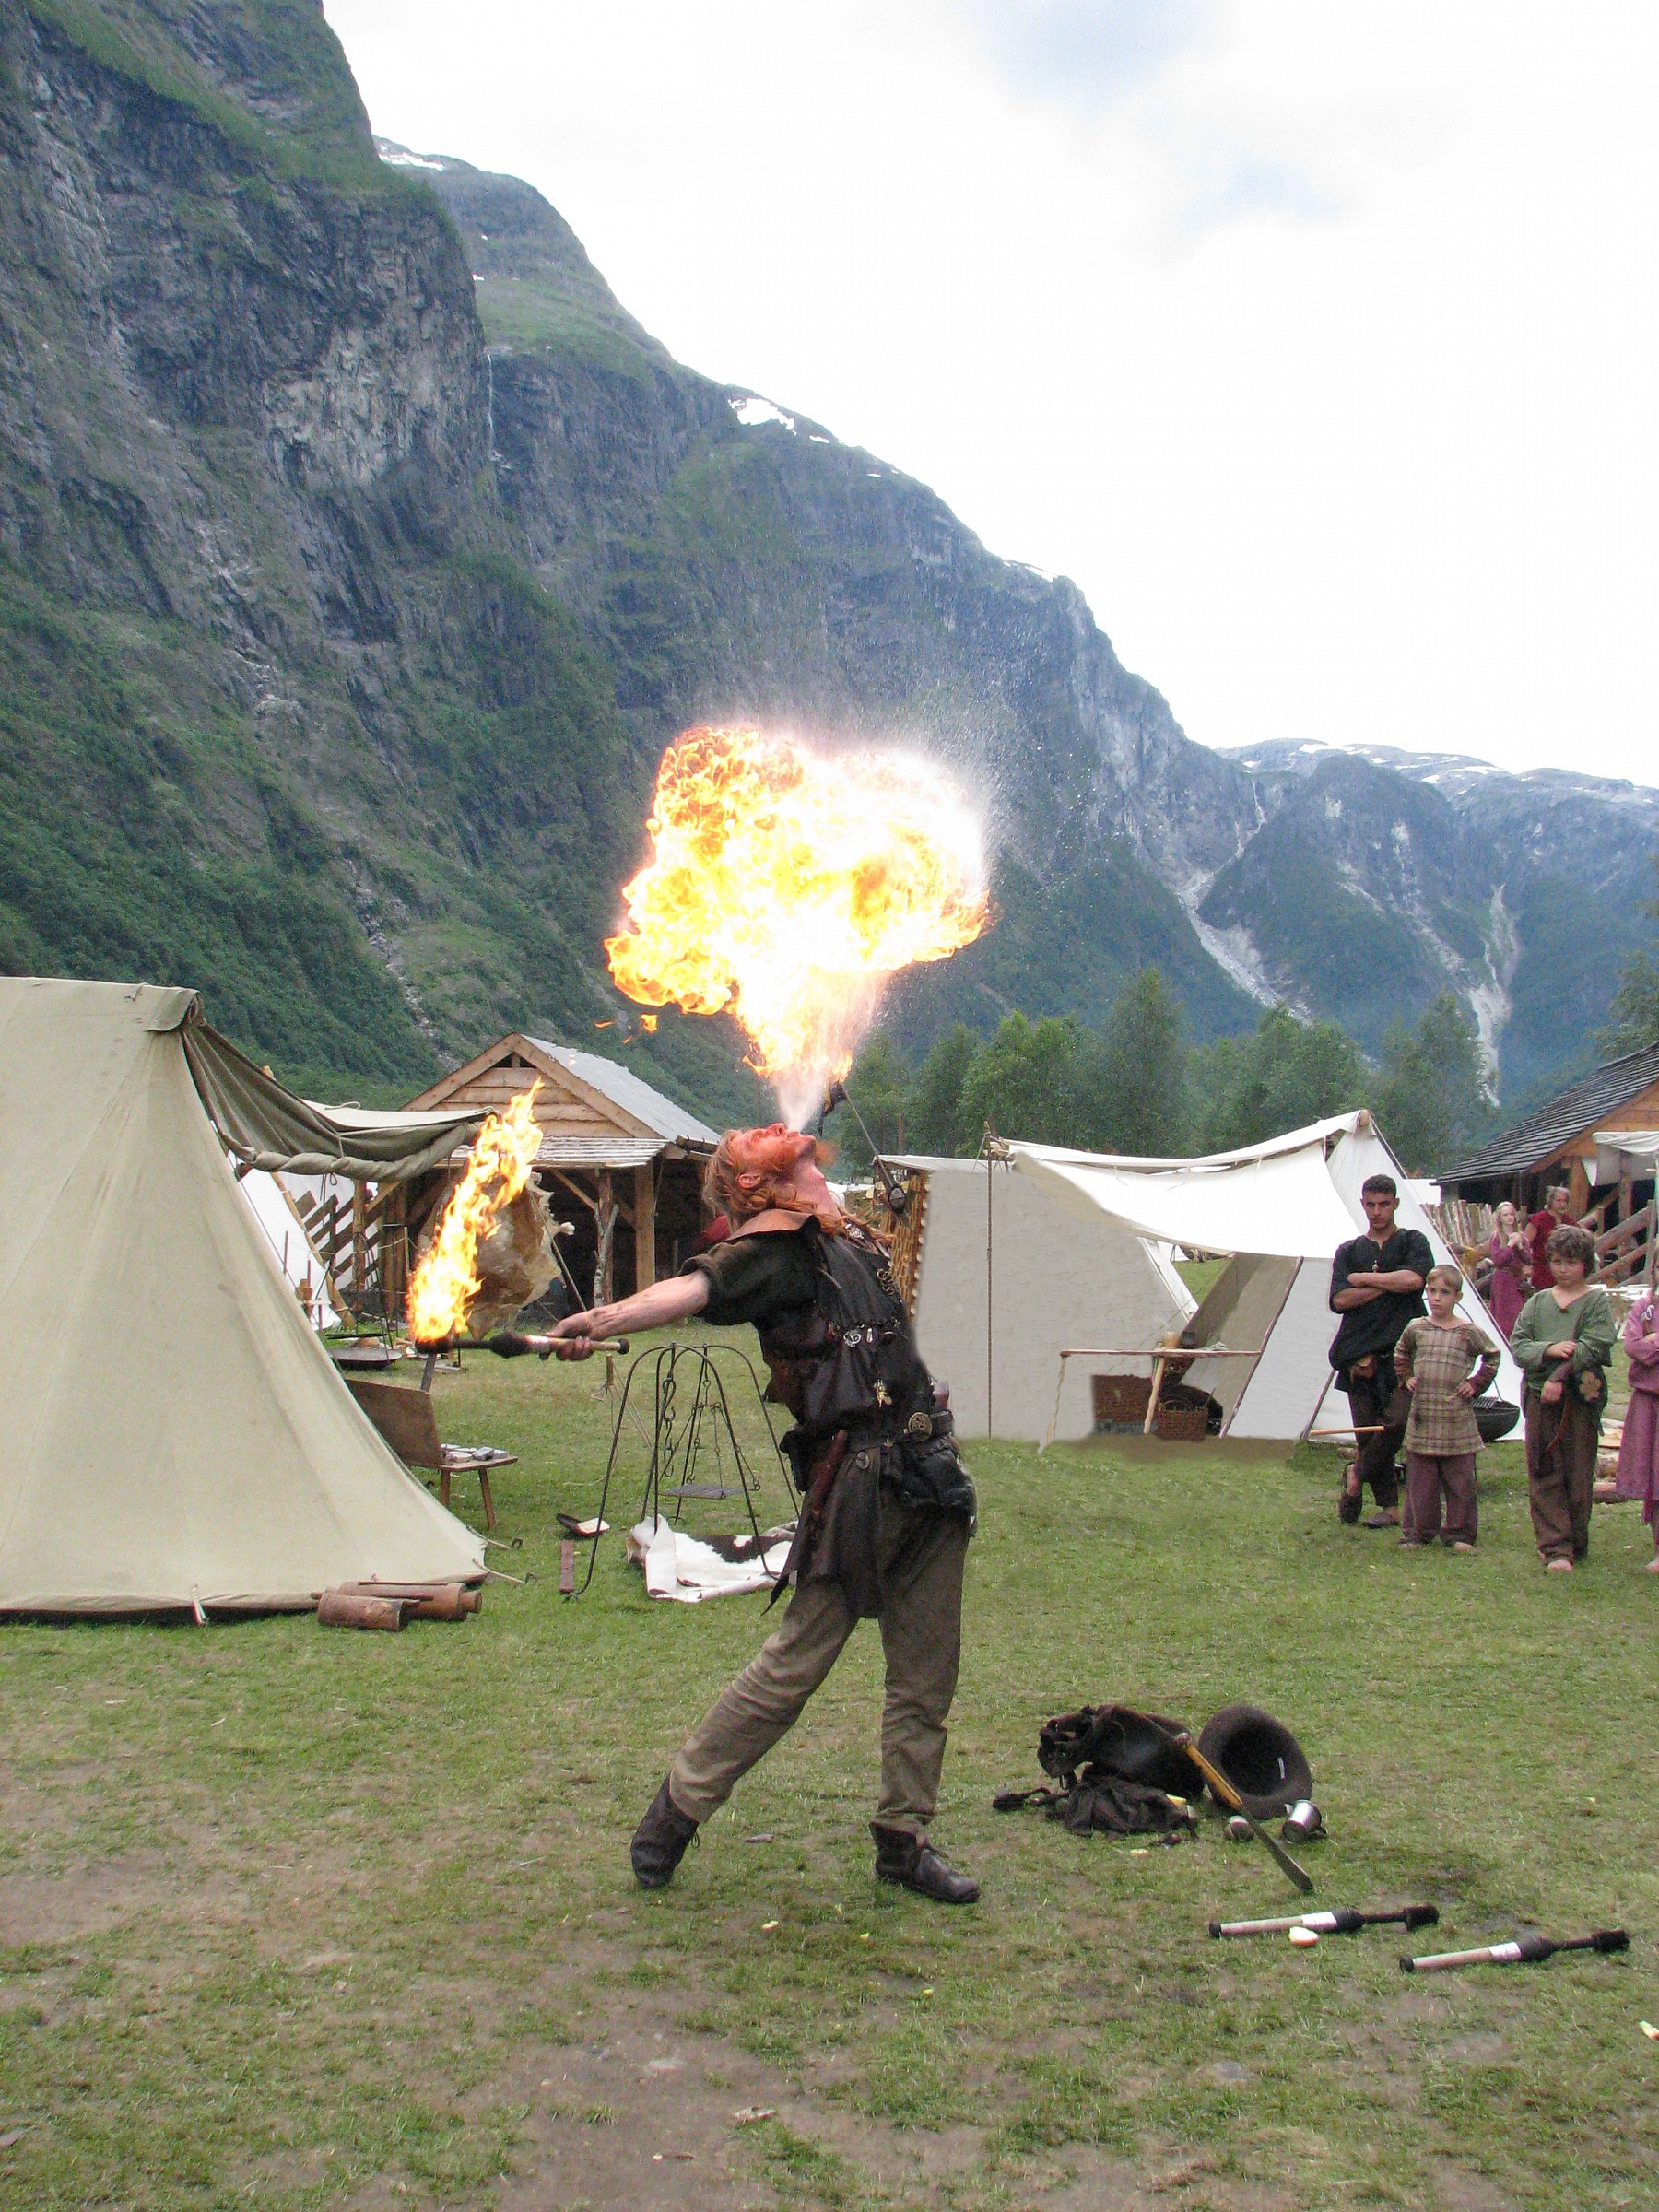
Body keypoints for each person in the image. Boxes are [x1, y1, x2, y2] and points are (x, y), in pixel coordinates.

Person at [547, 1122, 981, 1903]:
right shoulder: (772, 1253)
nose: (777, 1127)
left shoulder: (843, 1230)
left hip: (929, 1475)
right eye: (757, 1138)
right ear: (754, 1183)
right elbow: (693, 1291)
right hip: (862, 1488)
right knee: (790, 1671)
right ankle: (676, 1811)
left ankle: (903, 1840)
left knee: (927, 1679)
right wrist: (600, 1321)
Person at [1509, 1223, 1618, 1572]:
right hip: (1539, 1396)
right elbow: (1519, 1346)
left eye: (1571, 1262)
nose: (1563, 1269)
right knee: (1544, 1469)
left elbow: (1594, 1344)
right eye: (1556, 1261)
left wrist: (1560, 1375)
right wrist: (1550, 1349)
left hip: (1580, 1397)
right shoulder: (1538, 1302)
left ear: (1585, 1263)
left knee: (1578, 1471)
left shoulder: (1596, 1301)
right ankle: (1555, 1546)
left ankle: (1575, 1540)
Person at [1328, 1174, 1434, 1526]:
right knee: (1367, 1431)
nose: (1377, 1212)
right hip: (1360, 1354)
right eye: (1371, 1204)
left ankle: (1356, 1474)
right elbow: (1340, 1300)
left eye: (1384, 1204)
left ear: (1395, 1204)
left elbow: (1416, 1280)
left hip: (1404, 1357)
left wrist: (1365, 1279)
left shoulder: (1412, 1242)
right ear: (1363, 1204)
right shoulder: (1349, 1251)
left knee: (1395, 1425)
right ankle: (1389, 1507)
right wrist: (1389, 1284)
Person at [1393, 1265, 1500, 1550]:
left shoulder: (1468, 1332)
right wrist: (1406, 1376)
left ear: (1458, 1297)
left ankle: (1459, 1533)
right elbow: (1401, 1352)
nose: (1437, 1298)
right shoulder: (1417, 1328)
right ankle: (1418, 1532)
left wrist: (1475, 1384)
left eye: (1445, 1292)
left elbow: (1492, 1356)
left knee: (1460, 1481)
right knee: (1421, 1481)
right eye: (1432, 1291)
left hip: (1456, 1418)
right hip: (1424, 1416)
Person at [1613, 1286, 1659, 1572]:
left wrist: (1653, 1341)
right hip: (1649, 1401)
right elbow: (1632, 1345)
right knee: (1655, 1477)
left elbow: (1644, 1347)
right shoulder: (1645, 1308)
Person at [1485, 1199, 1529, 1340]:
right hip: (1502, 1279)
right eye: (1505, 1215)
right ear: (1500, 1218)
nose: (1509, 1217)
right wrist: (1510, 1245)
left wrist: (1520, 1246)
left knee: (1517, 1312)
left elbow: (1528, 1259)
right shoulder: (1496, 1237)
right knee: (1502, 1314)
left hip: (1516, 1278)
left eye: (1511, 1214)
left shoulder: (1521, 1236)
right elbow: (1498, 1260)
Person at [1524, 1183, 1574, 1292]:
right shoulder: (1538, 1219)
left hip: (1563, 1271)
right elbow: (1524, 1244)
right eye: (1559, 1201)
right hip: (1542, 1271)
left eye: (1565, 1201)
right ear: (1551, 1201)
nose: (1562, 1204)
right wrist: (1526, 1266)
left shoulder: (1569, 1221)